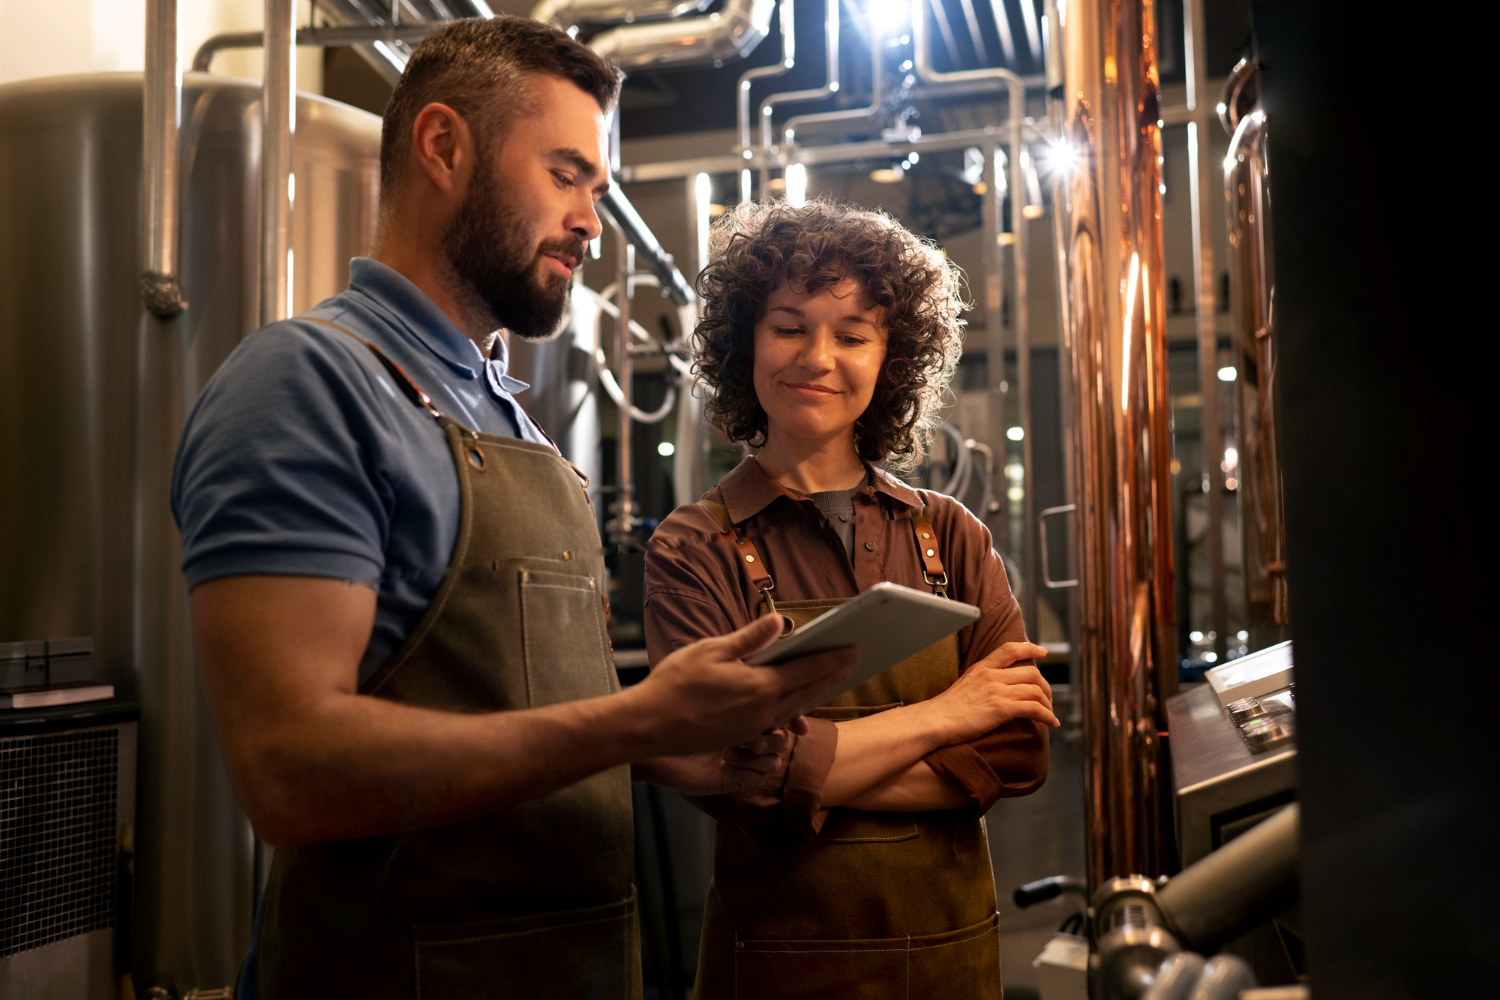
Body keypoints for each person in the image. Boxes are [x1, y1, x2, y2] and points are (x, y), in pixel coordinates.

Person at [171, 18, 852, 1000]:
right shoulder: (310, 382)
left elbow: (509, 723)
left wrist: (673, 750)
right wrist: (627, 725)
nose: (592, 220)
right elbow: (292, 769)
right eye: (568, 174)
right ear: (443, 146)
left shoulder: (507, 417)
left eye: (599, 189)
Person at [643, 200, 1060, 999]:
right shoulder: (694, 547)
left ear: (891, 357)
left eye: (853, 335)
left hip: (952, 964)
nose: (817, 358)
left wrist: (806, 766)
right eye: (789, 327)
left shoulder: (952, 535)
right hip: (774, 971)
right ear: (744, 344)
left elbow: (1017, 751)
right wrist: (947, 715)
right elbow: (720, 773)